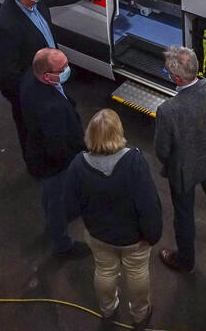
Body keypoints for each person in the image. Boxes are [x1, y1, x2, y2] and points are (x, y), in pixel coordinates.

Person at [64, 109, 162, 329]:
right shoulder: (134, 161)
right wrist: (152, 235)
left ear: (90, 134)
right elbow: (148, 205)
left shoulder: (78, 165)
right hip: (134, 239)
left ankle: (108, 309)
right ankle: (140, 314)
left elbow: (70, 206)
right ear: (119, 132)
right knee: (137, 273)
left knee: (104, 271)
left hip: (99, 236)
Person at [0, 0, 95, 159]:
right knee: (31, 127)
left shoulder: (34, 2)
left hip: (45, 76)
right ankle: (38, 162)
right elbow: (8, 71)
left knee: (60, 117)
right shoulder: (7, 26)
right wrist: (32, 91)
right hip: (28, 84)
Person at [154, 46, 206, 273]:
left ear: (177, 78)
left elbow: (162, 150)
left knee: (183, 214)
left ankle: (186, 261)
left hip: (184, 169)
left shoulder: (168, 110)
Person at [20, 48, 89, 258]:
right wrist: (78, 160)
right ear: (47, 76)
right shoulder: (50, 108)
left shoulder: (30, 78)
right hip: (54, 165)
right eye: (63, 68)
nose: (68, 69)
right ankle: (63, 245)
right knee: (57, 201)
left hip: (39, 155)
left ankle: (54, 220)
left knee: (50, 197)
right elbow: (57, 147)